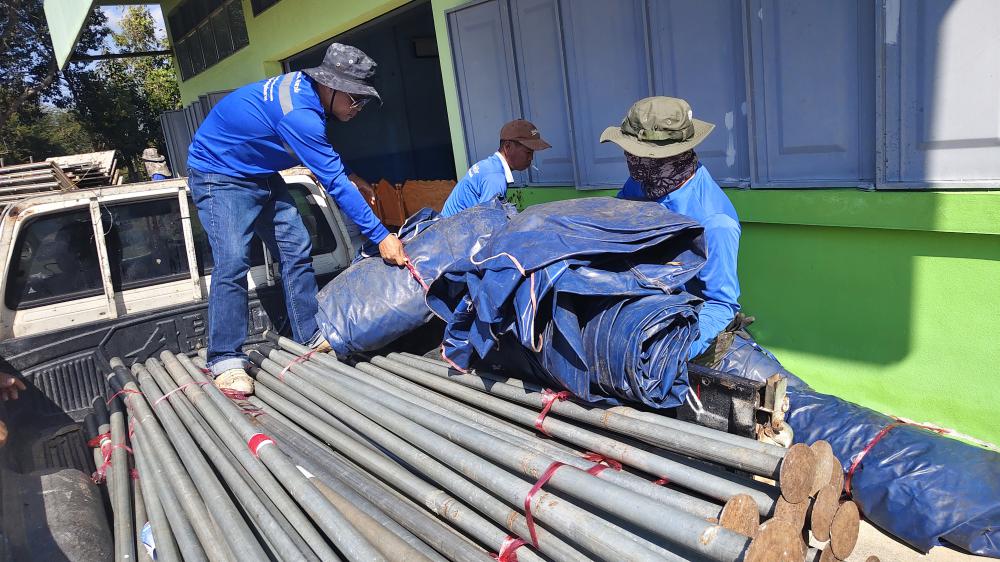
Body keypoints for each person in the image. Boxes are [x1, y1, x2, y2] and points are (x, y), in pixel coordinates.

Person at [186, 43, 406, 395]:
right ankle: (225, 358)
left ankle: (307, 334)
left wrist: (352, 174)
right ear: (330, 86)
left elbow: (324, 158)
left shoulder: (307, 95)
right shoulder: (299, 114)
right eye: (355, 99)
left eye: (363, 101)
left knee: (296, 246)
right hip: (220, 173)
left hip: (259, 171)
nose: (358, 108)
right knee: (233, 261)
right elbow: (334, 182)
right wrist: (382, 236)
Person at [600, 96, 741, 359]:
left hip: (677, 327)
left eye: (636, 154)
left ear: (663, 157)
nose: (629, 159)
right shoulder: (644, 181)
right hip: (633, 305)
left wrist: (674, 352)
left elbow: (721, 305)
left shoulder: (715, 222)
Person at [440, 119, 551, 217]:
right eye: (528, 152)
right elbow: (488, 223)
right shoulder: (495, 177)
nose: (531, 158)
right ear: (507, 147)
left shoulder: (489, 165)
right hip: (453, 231)